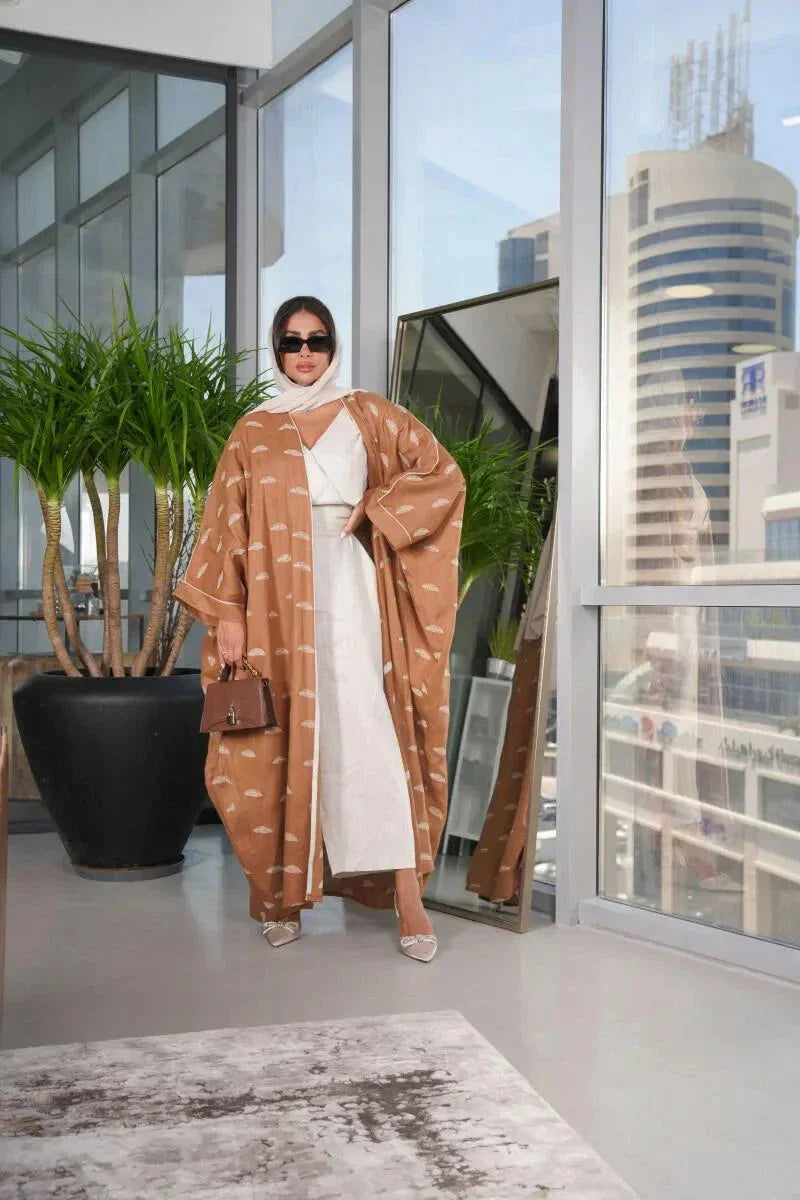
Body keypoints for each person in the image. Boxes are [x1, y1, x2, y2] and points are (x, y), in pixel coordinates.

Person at [175, 296, 465, 962]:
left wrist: (378, 509)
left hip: (359, 593)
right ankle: (281, 895)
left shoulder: (371, 414)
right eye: (290, 342)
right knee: (282, 742)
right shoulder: (254, 430)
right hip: (277, 607)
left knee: (372, 735)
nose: (304, 353)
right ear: (276, 350)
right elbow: (225, 526)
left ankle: (407, 892)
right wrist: (226, 614)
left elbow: (442, 476)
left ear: (333, 347)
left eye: (317, 340)